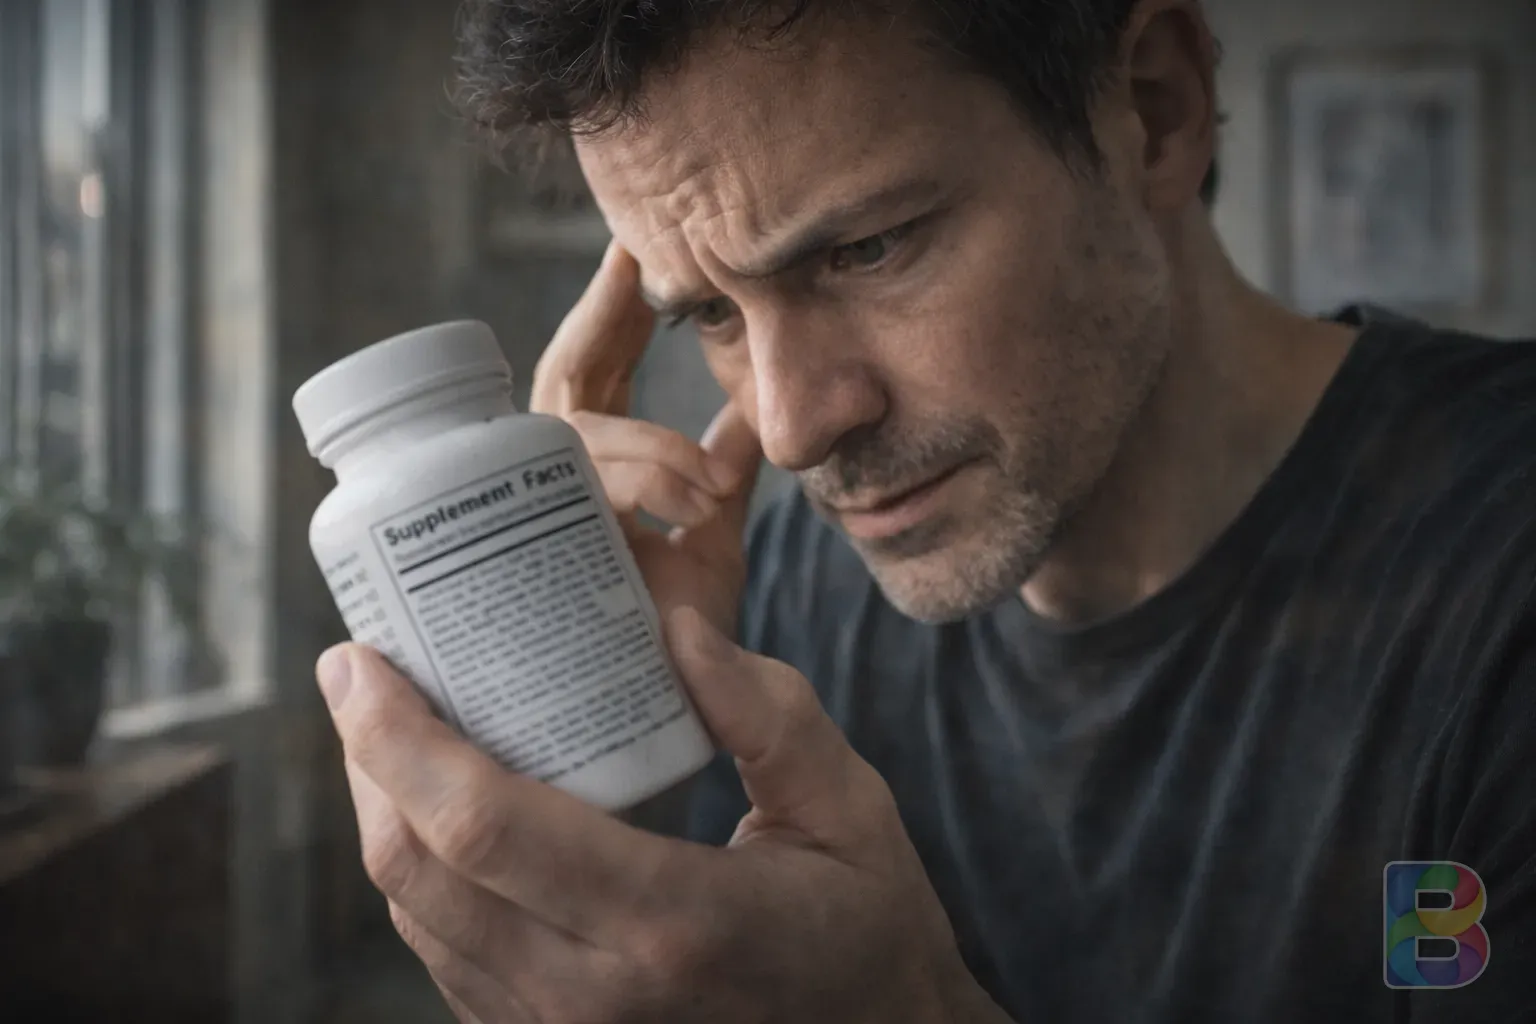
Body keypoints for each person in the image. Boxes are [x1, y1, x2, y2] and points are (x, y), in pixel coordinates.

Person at [312, 0, 1536, 1020]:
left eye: (868, 249)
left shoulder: (1497, 573)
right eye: (714, 316)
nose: (792, 428)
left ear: (1153, 112)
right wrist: (615, 762)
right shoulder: (777, 587)